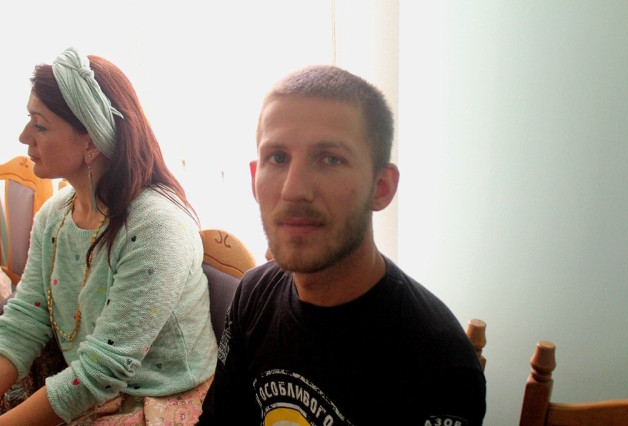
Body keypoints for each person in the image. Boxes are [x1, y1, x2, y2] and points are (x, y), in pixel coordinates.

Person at [198, 65, 486, 425]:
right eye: (278, 158)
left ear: (381, 187)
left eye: (330, 159)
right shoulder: (252, 295)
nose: (293, 189)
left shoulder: (440, 366)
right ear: (255, 178)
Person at [0, 47, 217, 425]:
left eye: (40, 125)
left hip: (157, 397)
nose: (24, 137)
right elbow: (25, 320)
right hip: (95, 383)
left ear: (90, 142)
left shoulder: (155, 226)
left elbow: (103, 368)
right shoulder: (55, 215)